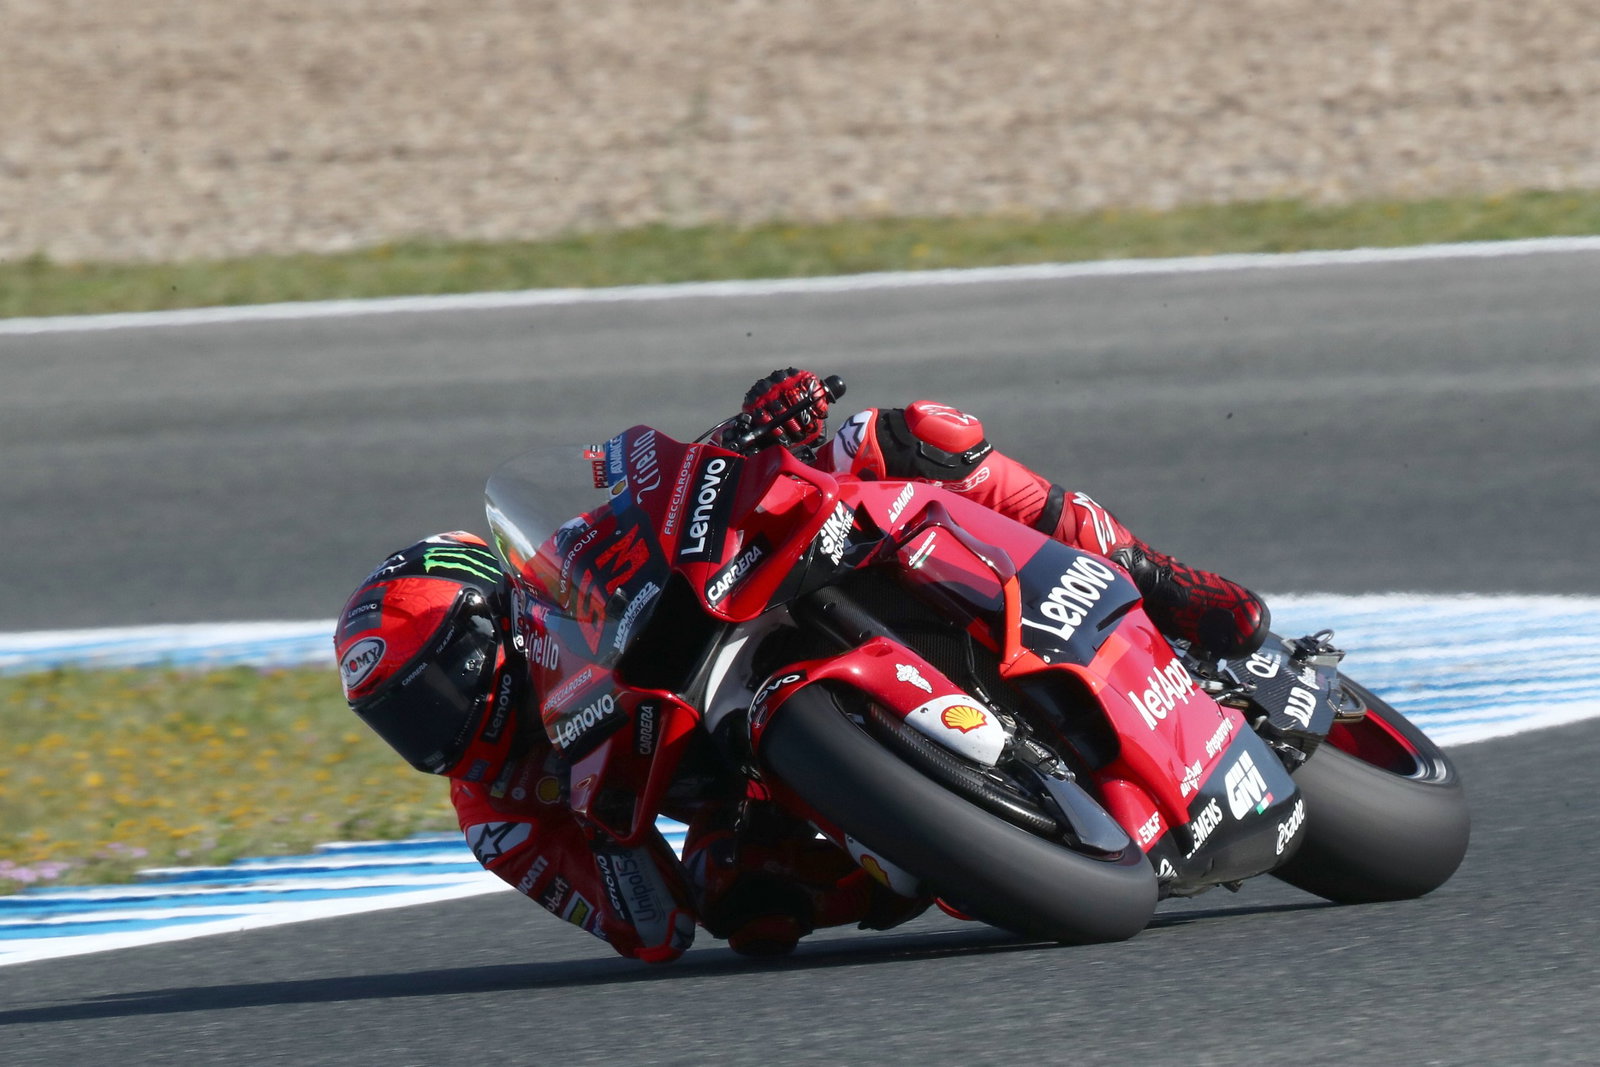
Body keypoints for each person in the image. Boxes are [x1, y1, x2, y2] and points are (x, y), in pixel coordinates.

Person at [333, 369, 1269, 963]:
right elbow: (650, 929)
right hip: (739, 780)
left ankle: (1155, 576)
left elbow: (663, 494)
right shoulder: (497, 816)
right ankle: (939, 850)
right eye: (405, 722)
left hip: (763, 595)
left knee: (904, 437)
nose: (441, 727)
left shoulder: (563, 568)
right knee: (746, 906)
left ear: (492, 621)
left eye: (440, 687)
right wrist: (611, 831)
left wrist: (753, 429)